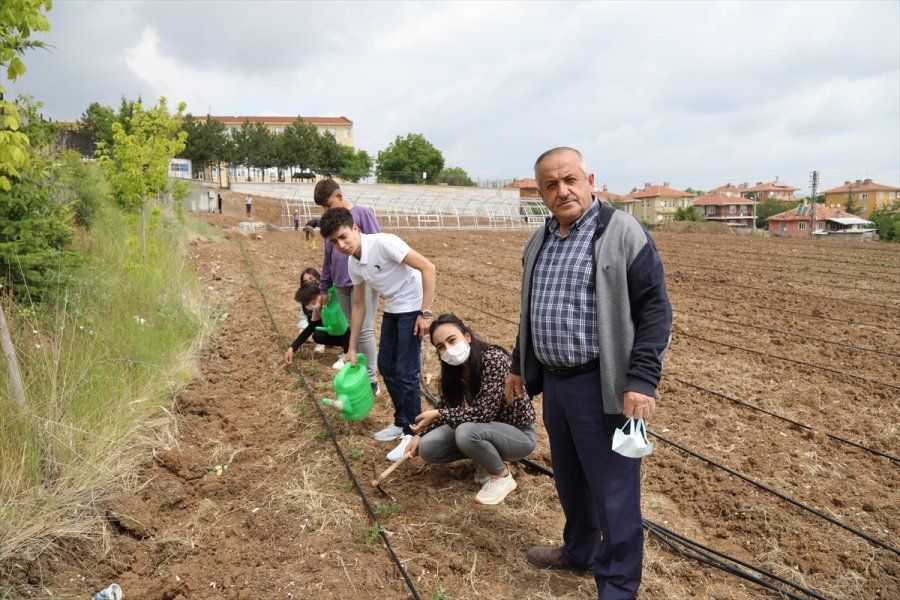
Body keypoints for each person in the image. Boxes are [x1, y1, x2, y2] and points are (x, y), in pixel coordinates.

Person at [504, 147, 672, 599]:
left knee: (614, 494)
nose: (563, 191)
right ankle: (579, 551)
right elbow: (531, 310)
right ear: (540, 193)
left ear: (590, 179)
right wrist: (521, 365)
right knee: (570, 479)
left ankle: (617, 587)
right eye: (552, 185)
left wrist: (641, 379)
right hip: (557, 386)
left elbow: (655, 310)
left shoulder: (622, 233)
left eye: (571, 180)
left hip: (605, 387)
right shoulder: (538, 240)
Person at [319, 207, 436, 462]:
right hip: (394, 304)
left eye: (343, 236)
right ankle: (401, 420)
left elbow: (428, 267)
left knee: (406, 371)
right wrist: (351, 348)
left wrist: (425, 313)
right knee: (385, 366)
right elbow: (359, 305)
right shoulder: (354, 263)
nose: (341, 245)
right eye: (334, 241)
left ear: (355, 229)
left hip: (413, 304)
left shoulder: (384, 243)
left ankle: (412, 432)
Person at [406, 314, 536, 505]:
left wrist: (439, 414)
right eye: (441, 346)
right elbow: (449, 406)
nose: (448, 349)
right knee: (428, 447)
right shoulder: (455, 368)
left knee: (465, 431)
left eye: (452, 340)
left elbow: (483, 413)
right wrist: (420, 434)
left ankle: (502, 476)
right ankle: (486, 459)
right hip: (485, 429)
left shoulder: (493, 359)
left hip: (518, 435)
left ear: (467, 336)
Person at [314, 179, 381, 395]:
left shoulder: (361, 214)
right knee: (354, 328)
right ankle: (358, 369)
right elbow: (327, 257)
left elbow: (376, 243)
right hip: (341, 282)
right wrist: (325, 286)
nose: (326, 210)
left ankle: (372, 379)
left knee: (365, 330)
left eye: (329, 204)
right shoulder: (330, 222)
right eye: (323, 208)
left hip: (364, 281)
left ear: (340, 196)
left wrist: (376, 276)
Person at [284, 280, 350, 369]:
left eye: (313, 301)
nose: (312, 305)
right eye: (308, 304)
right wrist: (293, 347)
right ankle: (346, 347)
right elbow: (310, 328)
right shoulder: (318, 309)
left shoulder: (335, 300)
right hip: (339, 332)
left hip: (351, 329)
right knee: (318, 335)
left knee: (344, 324)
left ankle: (347, 353)